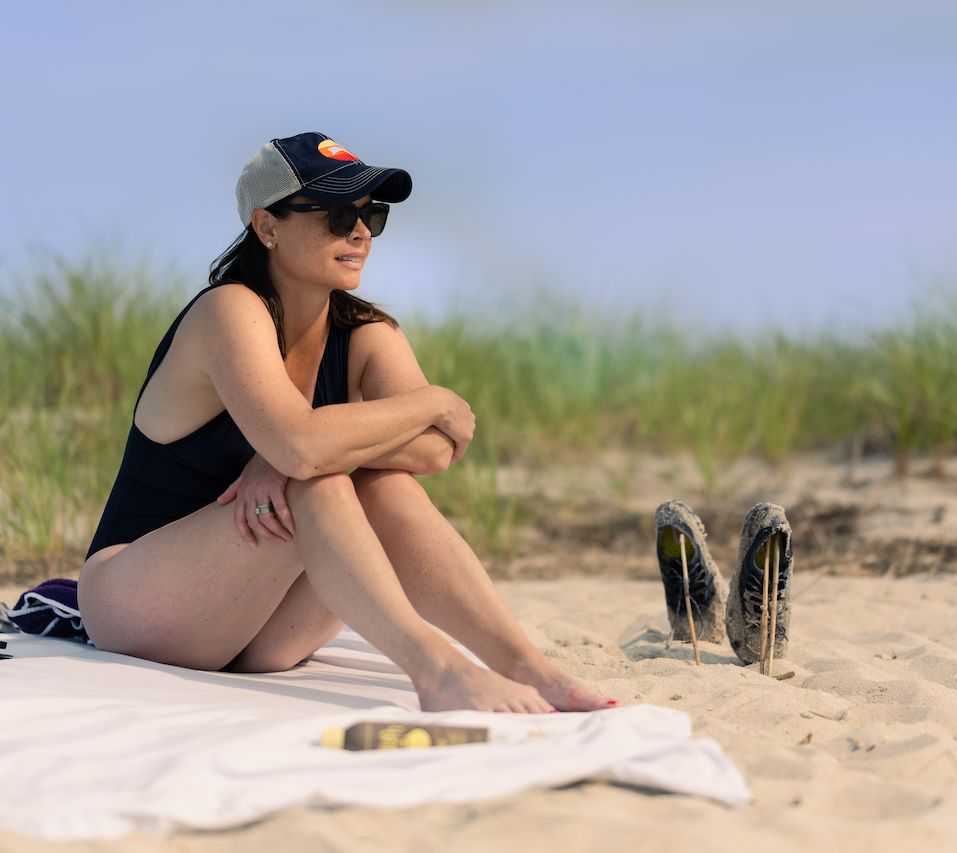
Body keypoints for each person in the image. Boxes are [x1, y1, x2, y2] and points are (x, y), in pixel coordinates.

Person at [78, 132, 615, 714]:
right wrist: (431, 399)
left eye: (371, 216)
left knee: (384, 486)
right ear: (267, 227)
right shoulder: (228, 310)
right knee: (320, 480)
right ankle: (437, 670)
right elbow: (313, 450)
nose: (360, 233)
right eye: (337, 215)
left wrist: (288, 453)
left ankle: (526, 667)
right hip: (139, 599)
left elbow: (434, 452)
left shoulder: (364, 332)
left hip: (260, 628)